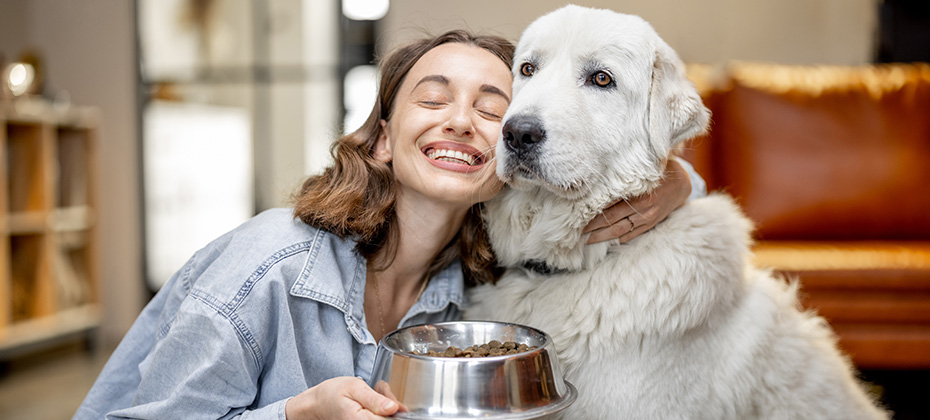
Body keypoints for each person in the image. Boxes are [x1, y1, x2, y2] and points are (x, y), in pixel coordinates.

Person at [74, 29, 703, 420]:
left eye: (492, 110)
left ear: (514, 156)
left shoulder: (479, 291)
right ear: (380, 141)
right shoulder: (268, 265)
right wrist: (296, 416)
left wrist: (677, 181)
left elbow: (604, 183)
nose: (461, 121)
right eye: (432, 100)